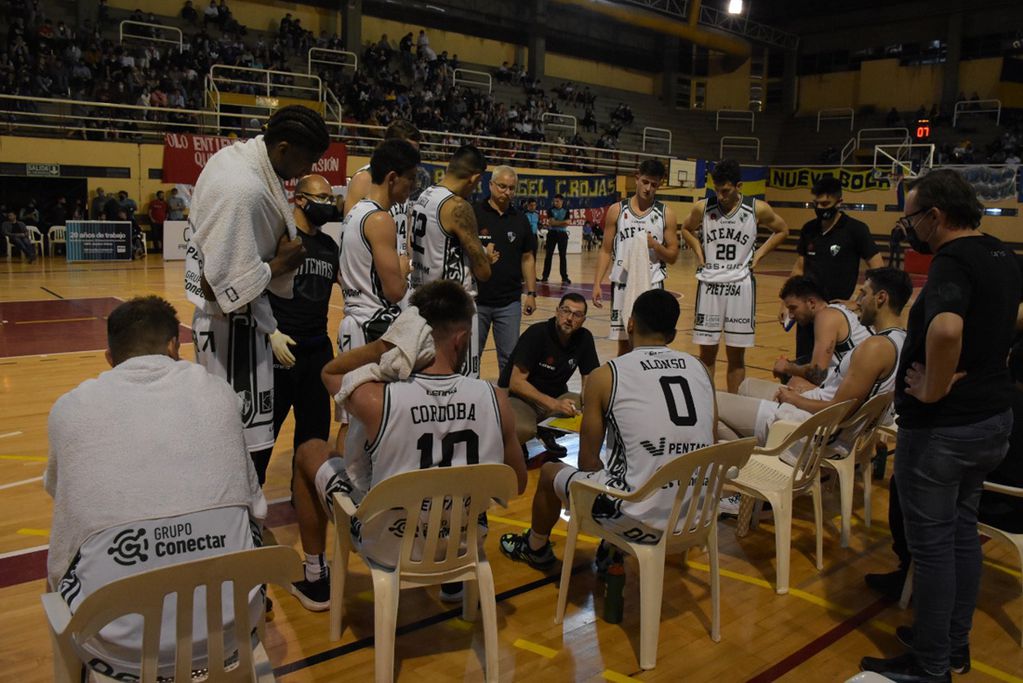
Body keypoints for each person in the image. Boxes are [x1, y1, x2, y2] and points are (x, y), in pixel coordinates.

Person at [44, 296, 265, 680]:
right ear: (173, 348)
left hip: (120, 650)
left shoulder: (69, 409)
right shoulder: (219, 394)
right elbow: (255, 506)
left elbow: (62, 504)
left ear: (109, 357)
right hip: (231, 631)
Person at [860, 170, 1021, 682]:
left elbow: (947, 325)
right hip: (990, 420)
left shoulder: (952, 258)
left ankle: (931, 666)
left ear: (936, 215)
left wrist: (934, 385)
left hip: (943, 430)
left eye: (912, 217)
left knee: (932, 551)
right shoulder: (1001, 253)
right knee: (960, 537)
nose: (909, 227)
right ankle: (951, 646)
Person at [287, 281, 527, 610]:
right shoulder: (495, 400)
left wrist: (385, 346)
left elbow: (330, 371)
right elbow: (519, 483)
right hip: (463, 541)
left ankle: (315, 578)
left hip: (392, 547)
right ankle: (454, 579)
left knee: (309, 451)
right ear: (460, 339)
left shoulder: (377, 399)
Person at [500, 288, 716, 567]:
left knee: (551, 472)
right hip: (697, 513)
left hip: (638, 519)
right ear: (673, 335)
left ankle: (536, 547)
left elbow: (588, 462)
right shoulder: (701, 370)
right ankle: (611, 548)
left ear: (630, 324)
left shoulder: (609, 374)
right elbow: (710, 438)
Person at [185, 105, 330, 485]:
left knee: (232, 439)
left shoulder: (235, 159)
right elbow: (216, 286)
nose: (309, 168)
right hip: (231, 331)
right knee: (242, 445)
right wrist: (278, 266)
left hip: (237, 323)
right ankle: (238, 522)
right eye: (308, 159)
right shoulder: (243, 190)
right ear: (283, 148)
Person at [866, 339, 1023, 602]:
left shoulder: (1002, 406)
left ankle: (910, 573)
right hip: (1014, 503)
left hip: (999, 505)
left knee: (907, 484)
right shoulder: (1002, 406)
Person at [716, 268, 909, 463]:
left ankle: (754, 466)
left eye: (864, 294)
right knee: (745, 391)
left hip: (810, 432)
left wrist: (794, 399)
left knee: (713, 404)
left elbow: (837, 410)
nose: (858, 301)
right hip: (825, 427)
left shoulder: (875, 348)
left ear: (881, 298)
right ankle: (754, 464)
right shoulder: (901, 339)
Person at [681, 159, 789, 393]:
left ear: (739, 186)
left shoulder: (757, 208)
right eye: (716, 190)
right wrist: (699, 252)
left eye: (725, 190)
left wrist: (758, 255)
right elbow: (686, 229)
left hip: (740, 285)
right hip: (710, 284)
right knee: (707, 353)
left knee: (736, 354)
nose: (720, 196)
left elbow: (782, 230)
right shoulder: (703, 207)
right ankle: (705, 404)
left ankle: (735, 406)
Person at [267, 174, 342, 459]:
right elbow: (257, 286)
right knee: (266, 433)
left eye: (329, 198)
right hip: (282, 347)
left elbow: (348, 284)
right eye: (321, 197)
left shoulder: (328, 245)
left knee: (315, 435)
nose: (328, 204)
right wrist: (269, 333)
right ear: (299, 199)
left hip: (318, 350)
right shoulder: (283, 240)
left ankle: (305, 498)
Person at [410, 144, 499, 378]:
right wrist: (484, 256)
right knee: (461, 381)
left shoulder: (424, 196)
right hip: (454, 306)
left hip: (422, 299)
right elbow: (483, 272)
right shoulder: (457, 206)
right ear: (475, 177)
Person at [336, 138, 419, 367]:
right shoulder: (380, 219)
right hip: (372, 327)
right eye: (410, 178)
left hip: (352, 323)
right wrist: (404, 268)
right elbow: (394, 292)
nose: (412, 187)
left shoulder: (356, 212)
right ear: (392, 178)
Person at [783, 175, 883, 361]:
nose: (820, 208)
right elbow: (799, 267)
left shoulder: (856, 230)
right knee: (805, 364)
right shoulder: (809, 229)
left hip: (838, 314)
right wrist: (787, 303)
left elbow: (877, 267)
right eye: (816, 204)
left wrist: (858, 302)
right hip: (808, 312)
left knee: (833, 368)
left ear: (839, 202)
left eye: (825, 204)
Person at [592, 159, 680, 356]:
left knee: (651, 343)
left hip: (652, 284)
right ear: (637, 178)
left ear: (660, 185)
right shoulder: (617, 210)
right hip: (623, 283)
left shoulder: (666, 214)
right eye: (645, 182)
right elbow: (606, 250)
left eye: (654, 184)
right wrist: (597, 283)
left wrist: (656, 245)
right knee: (624, 343)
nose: (648, 188)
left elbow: (673, 256)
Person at [498, 292, 599, 455]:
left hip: (553, 398)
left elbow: (589, 379)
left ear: (583, 320)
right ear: (557, 311)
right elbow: (516, 383)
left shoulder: (584, 338)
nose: (569, 318)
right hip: (521, 398)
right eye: (566, 311)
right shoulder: (537, 334)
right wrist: (553, 404)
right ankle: (519, 443)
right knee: (522, 429)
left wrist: (588, 410)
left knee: (580, 405)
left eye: (577, 315)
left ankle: (547, 432)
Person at [474, 165, 537, 374]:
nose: (507, 192)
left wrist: (531, 293)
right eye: (502, 186)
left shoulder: (520, 219)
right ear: (490, 185)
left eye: (511, 188)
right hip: (476, 301)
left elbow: (528, 257)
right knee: (471, 358)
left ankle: (507, 405)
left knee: (509, 361)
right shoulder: (473, 213)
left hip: (509, 303)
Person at [770, 275, 872, 391]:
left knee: (795, 385)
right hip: (862, 379)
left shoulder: (826, 317)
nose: (791, 315)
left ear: (811, 303)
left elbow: (817, 374)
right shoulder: (834, 310)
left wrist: (787, 367)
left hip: (861, 385)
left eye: (793, 308)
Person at [343, 120, 423, 266]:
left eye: (416, 151)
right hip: (374, 269)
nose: (413, 157)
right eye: (408, 149)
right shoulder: (365, 177)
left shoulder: (403, 179)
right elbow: (349, 233)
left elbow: (405, 224)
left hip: (399, 263)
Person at [541, 193, 572, 284]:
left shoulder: (566, 210)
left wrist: (556, 222)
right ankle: (545, 276)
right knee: (548, 255)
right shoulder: (550, 210)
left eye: (557, 201)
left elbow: (567, 223)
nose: (555, 203)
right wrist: (562, 222)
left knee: (563, 256)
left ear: (562, 201)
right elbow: (552, 223)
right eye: (554, 201)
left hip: (562, 234)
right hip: (552, 234)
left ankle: (564, 277)